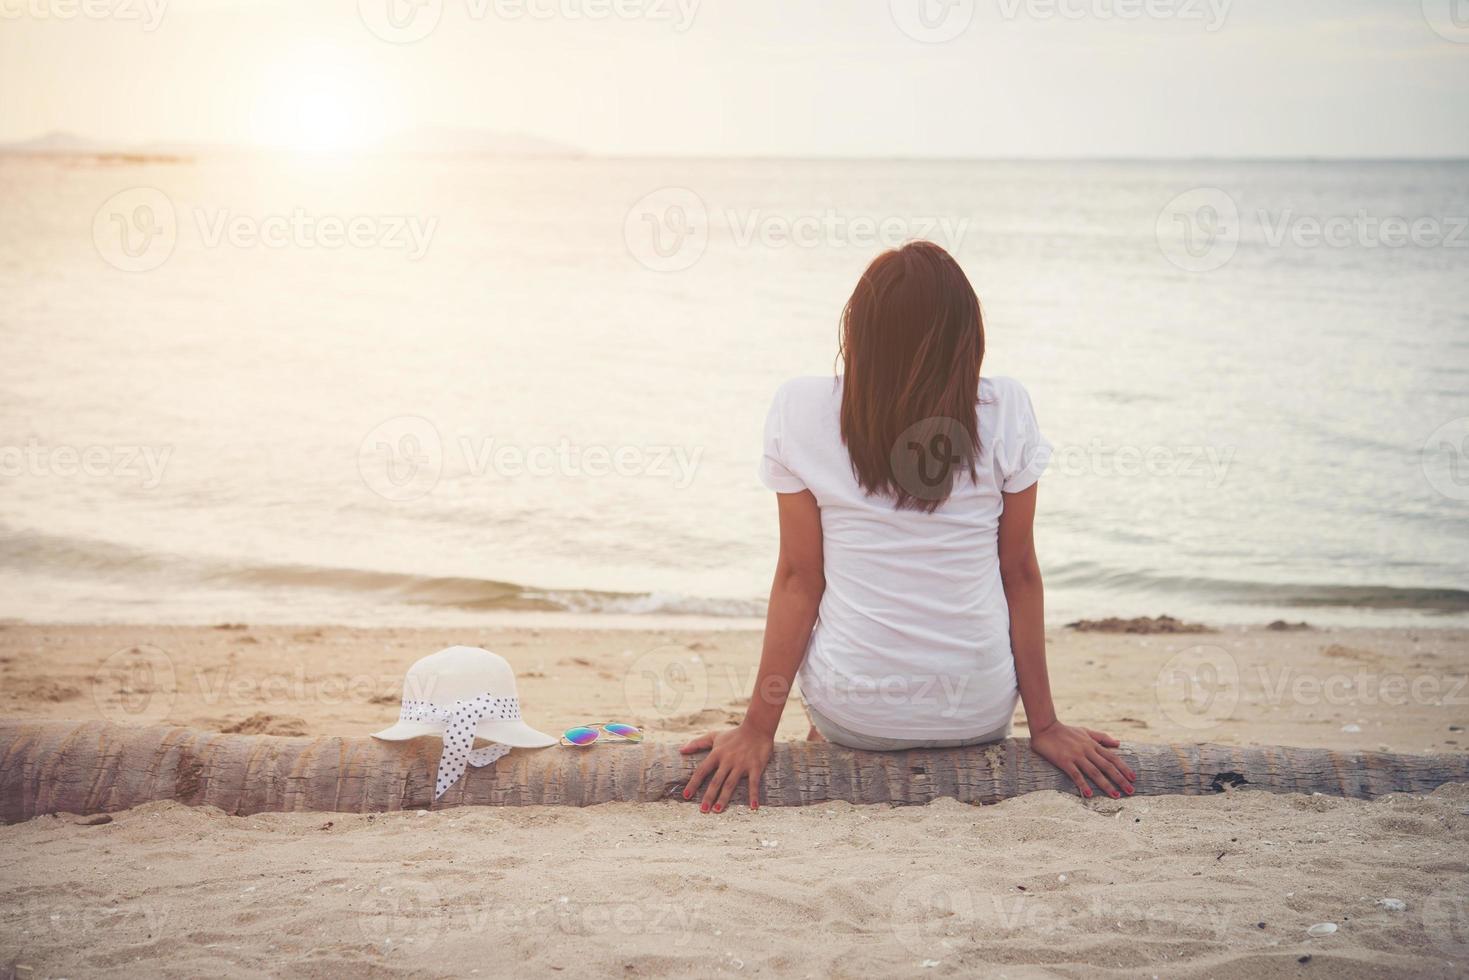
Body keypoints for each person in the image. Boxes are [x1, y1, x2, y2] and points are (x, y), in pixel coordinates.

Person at [680, 241, 1137, 813]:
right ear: (965, 336)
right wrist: (1043, 725)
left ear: (860, 333)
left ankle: (823, 736)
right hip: (978, 711)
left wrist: (755, 729)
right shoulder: (1007, 408)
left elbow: (801, 579)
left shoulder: (799, 408)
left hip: (855, 716)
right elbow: (1018, 573)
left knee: (836, 672)